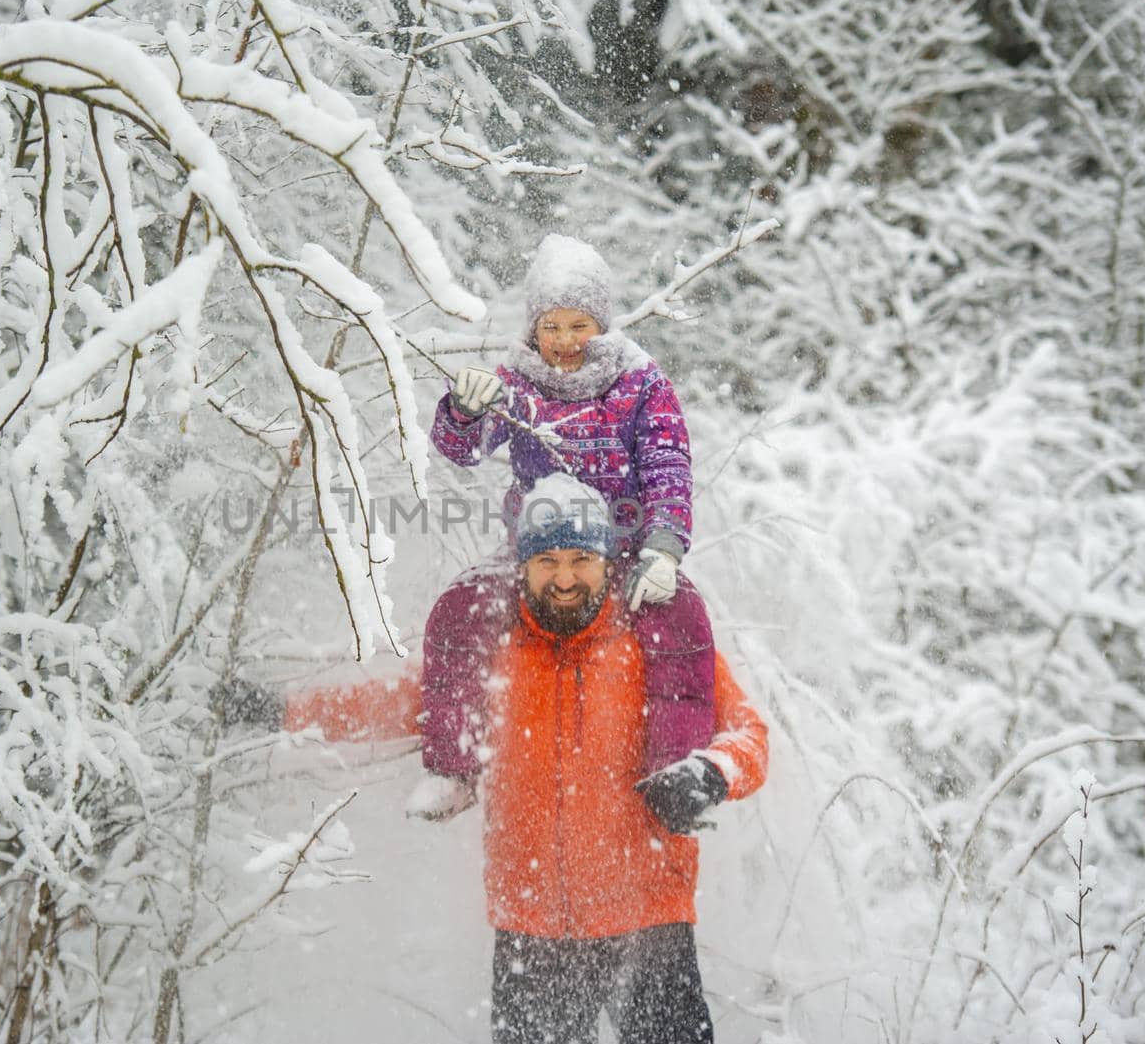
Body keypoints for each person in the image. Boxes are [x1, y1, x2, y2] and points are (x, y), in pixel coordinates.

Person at [253, 475, 769, 1044]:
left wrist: (714, 772)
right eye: (546, 559)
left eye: (581, 558)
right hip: (533, 936)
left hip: (650, 926)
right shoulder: (490, 655)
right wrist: (281, 711)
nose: (565, 577)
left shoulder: (652, 648)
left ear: (608, 563)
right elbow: (392, 705)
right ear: (520, 566)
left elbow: (748, 733)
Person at [416, 233, 713, 817]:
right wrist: (464, 410)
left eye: (580, 326)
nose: (565, 342)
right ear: (534, 329)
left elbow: (666, 466)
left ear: (602, 322)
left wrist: (662, 549)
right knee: (460, 613)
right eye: (552, 327)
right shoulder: (520, 379)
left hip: (620, 551)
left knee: (677, 620)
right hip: (539, 554)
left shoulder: (640, 381)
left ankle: (676, 773)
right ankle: (454, 769)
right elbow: (465, 449)